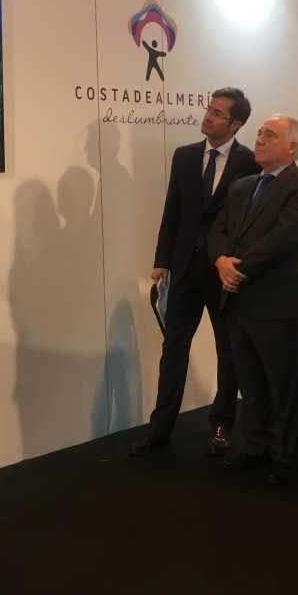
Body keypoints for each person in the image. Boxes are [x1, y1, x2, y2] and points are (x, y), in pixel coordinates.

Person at [127, 87, 260, 455]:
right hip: (183, 269)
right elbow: (173, 209)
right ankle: (160, 427)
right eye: (209, 109)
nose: (208, 117)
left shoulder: (250, 162)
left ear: (235, 124)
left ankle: (221, 425)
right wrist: (162, 259)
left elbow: (250, 221)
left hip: (222, 272)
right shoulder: (184, 156)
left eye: (218, 113)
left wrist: (239, 264)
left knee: (227, 352)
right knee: (173, 350)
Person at [208, 115, 298, 485]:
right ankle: (256, 444)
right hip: (238, 301)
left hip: (279, 303)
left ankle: (288, 454)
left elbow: (287, 237)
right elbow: (218, 228)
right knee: (250, 382)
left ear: (292, 147)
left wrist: (237, 269)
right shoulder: (242, 186)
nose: (258, 139)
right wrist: (220, 260)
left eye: (269, 135)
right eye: (259, 133)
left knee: (283, 385)